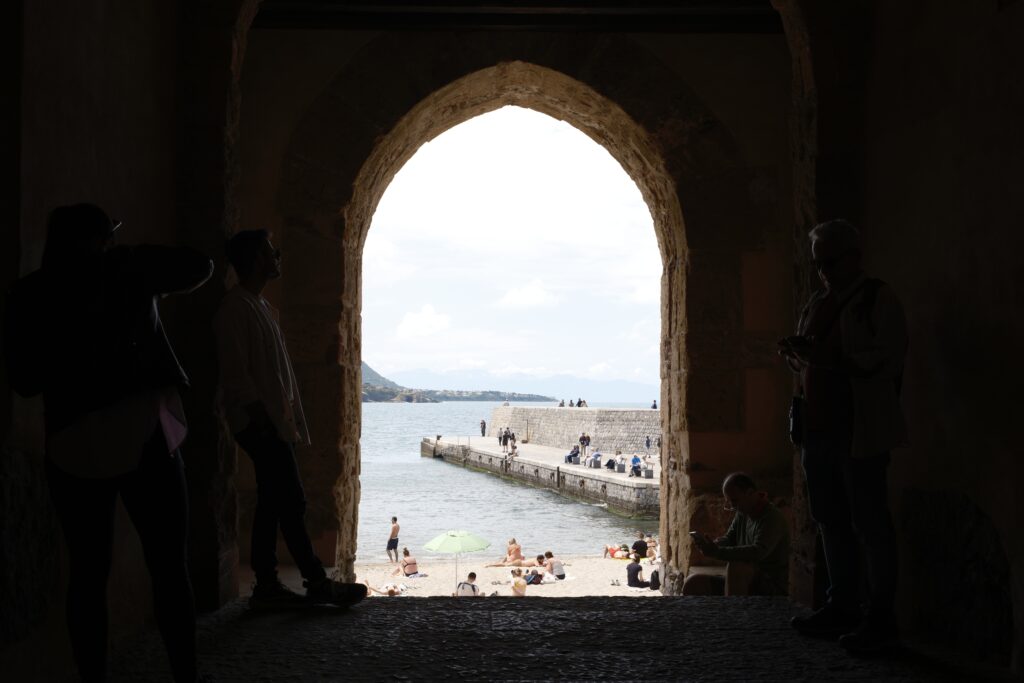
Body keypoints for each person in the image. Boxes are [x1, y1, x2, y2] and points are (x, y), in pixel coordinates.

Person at [3, 204, 214, 682]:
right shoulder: (126, 270)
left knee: (87, 575)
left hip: (71, 442)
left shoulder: (27, 294)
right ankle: (185, 674)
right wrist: (129, 259)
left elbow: (25, 381)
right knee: (168, 568)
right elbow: (199, 264)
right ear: (103, 240)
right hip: (145, 435)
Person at [214, 229, 366, 610]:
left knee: (271, 502)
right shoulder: (236, 309)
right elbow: (236, 373)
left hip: (273, 423)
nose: (277, 256)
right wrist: (262, 419)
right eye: (270, 251)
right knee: (292, 500)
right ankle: (316, 581)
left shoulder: (261, 308)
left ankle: (267, 585)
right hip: (261, 424)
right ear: (254, 259)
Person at [779, 219, 907, 653]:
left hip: (858, 428)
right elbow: (811, 367)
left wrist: (827, 358)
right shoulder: (817, 302)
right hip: (818, 428)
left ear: (854, 257)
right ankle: (843, 604)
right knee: (830, 520)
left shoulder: (877, 300)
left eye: (831, 262)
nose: (824, 272)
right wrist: (798, 356)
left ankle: (879, 614)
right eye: (819, 264)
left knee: (870, 524)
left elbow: (884, 360)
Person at [691, 473, 790, 597]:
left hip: (769, 585)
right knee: (693, 584)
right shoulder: (743, 513)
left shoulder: (772, 518)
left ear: (750, 493)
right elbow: (730, 538)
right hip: (746, 580)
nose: (732, 506)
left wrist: (717, 552)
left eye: (734, 501)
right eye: (729, 501)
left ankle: (733, 614)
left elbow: (757, 552)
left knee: (736, 568)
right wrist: (712, 544)